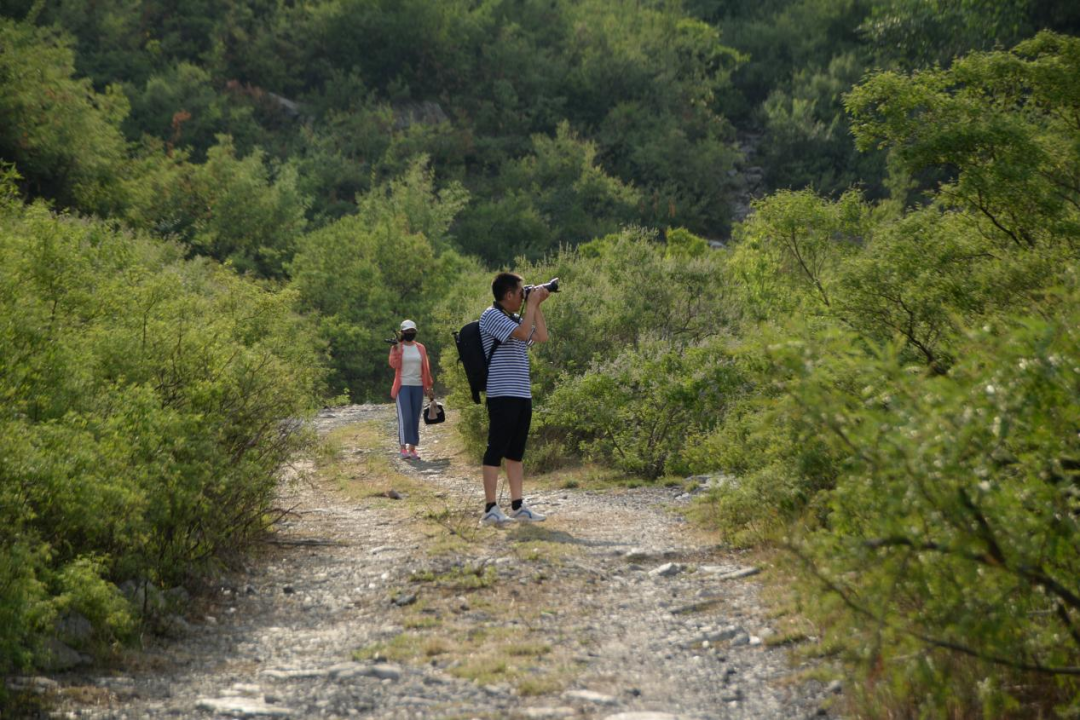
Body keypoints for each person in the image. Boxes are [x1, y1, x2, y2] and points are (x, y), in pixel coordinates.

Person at [478, 272, 550, 524]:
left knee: (516, 452)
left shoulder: (516, 317)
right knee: (495, 448)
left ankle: (517, 506)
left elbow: (541, 337)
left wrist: (536, 306)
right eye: (521, 292)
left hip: (521, 392)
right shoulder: (491, 316)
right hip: (501, 393)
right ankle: (490, 509)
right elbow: (521, 334)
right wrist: (530, 305)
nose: (523, 296)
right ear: (508, 294)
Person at [388, 319, 435, 460]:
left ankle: (412, 449)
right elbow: (393, 364)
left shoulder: (420, 348)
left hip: (418, 386)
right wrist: (396, 349)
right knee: (405, 417)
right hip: (403, 386)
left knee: (415, 417)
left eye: (412, 331)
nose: (410, 333)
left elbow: (425, 368)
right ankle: (403, 448)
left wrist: (429, 386)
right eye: (407, 331)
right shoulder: (397, 347)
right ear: (402, 332)